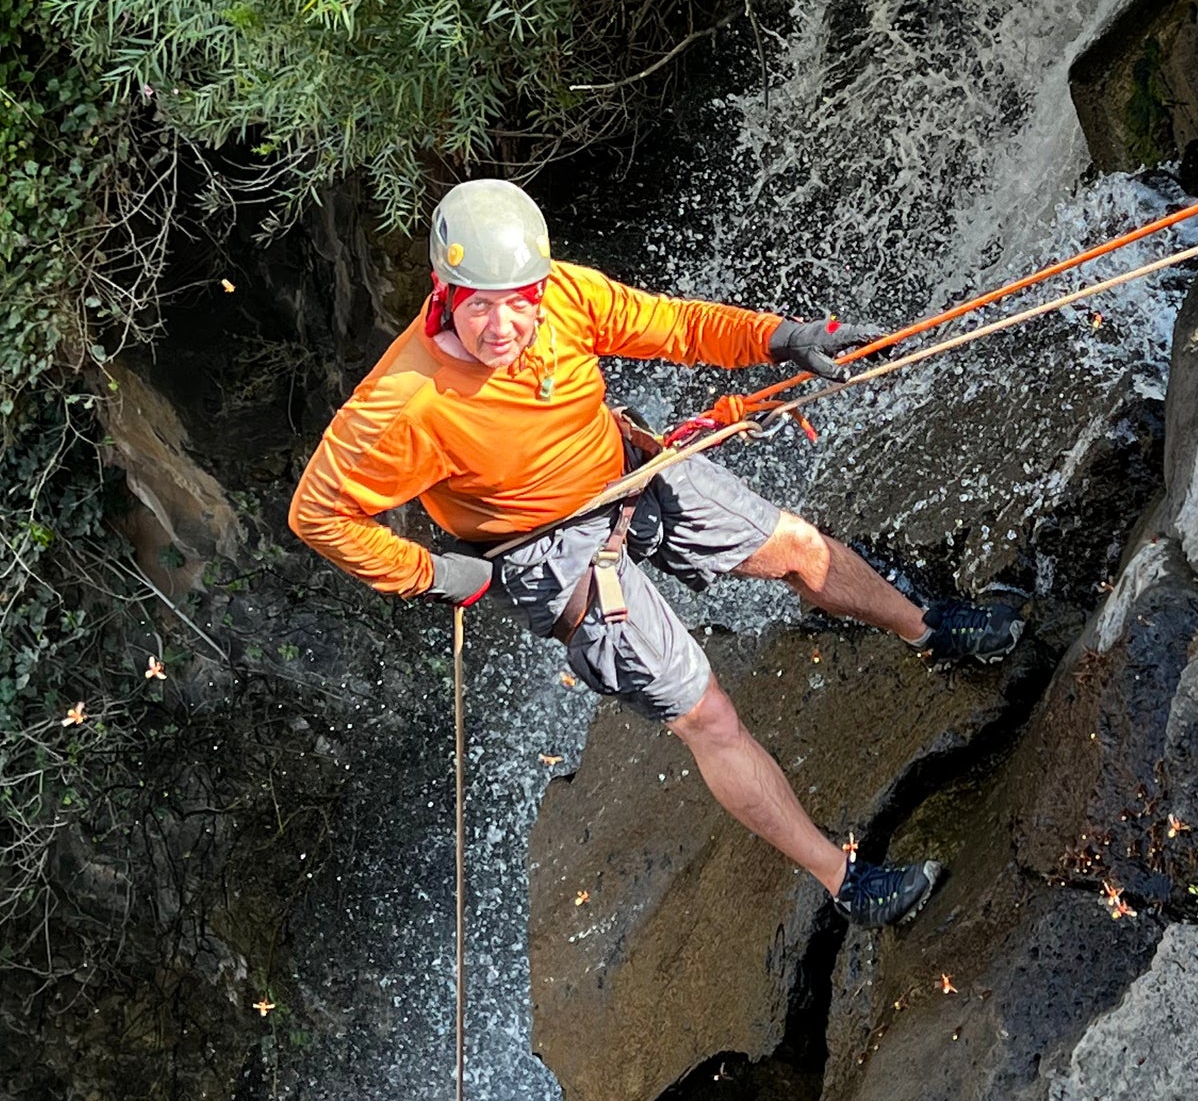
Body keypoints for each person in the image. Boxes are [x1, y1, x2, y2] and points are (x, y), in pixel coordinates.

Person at [288, 179, 1025, 927]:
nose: (505, 323)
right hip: (549, 558)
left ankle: (928, 626)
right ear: (444, 290)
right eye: (481, 302)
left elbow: (672, 326)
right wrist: (440, 574)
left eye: (520, 298)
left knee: (800, 547)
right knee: (709, 715)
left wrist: (781, 337)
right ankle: (846, 883)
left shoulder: (566, 297)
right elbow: (317, 512)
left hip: (623, 471)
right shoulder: (406, 401)